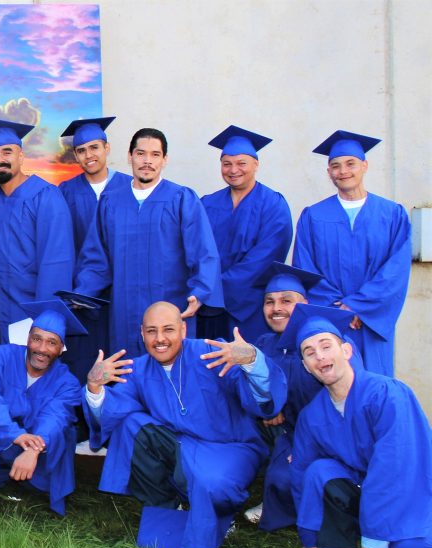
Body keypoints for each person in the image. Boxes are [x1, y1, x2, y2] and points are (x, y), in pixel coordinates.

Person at [82, 302, 286, 548]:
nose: (160, 339)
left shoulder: (210, 353)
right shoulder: (137, 370)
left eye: (168, 329)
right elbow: (111, 412)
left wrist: (253, 362)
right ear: (141, 333)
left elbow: (261, 402)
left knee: (212, 484)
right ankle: (170, 506)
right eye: (152, 331)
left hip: (230, 447)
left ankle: (217, 513)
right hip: (180, 446)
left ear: (183, 329)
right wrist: (94, 387)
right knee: (129, 424)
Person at [286, 311, 431, 548]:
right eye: (310, 352)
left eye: (326, 346)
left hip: (413, 491)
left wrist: (377, 532)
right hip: (365, 489)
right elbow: (301, 473)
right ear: (305, 366)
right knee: (319, 469)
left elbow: (394, 466)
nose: (320, 356)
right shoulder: (312, 415)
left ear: (347, 350)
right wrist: (310, 534)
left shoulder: (388, 394)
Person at [76, 128, 223, 357]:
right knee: (128, 376)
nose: (147, 161)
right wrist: (81, 293)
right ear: (129, 156)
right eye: (140, 153)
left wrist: (200, 292)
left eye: (155, 155)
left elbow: (203, 252)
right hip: (124, 312)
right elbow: (97, 258)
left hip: (170, 308)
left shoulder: (181, 199)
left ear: (165, 160)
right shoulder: (110, 202)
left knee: (173, 374)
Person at [292, 130, 411, 377]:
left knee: (375, 387)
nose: (343, 171)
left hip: (371, 322)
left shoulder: (391, 215)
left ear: (365, 166)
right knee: (332, 381)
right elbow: (306, 270)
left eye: (350, 164)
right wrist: (338, 311)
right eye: (335, 166)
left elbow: (396, 271)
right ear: (328, 172)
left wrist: (357, 307)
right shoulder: (313, 216)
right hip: (331, 321)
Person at [0, 300, 84, 515]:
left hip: (33, 446)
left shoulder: (67, 383)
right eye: (37, 339)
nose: (42, 348)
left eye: (52, 343)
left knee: (62, 432)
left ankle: (21, 478)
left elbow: (55, 417)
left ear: (61, 349)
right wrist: (15, 435)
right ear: (28, 338)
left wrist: (33, 448)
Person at [242, 264, 329, 531]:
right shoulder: (265, 343)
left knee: (287, 475)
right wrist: (266, 407)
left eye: (286, 301)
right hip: (280, 431)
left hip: (321, 434)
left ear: (305, 303)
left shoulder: (322, 343)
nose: (276, 308)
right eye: (269, 302)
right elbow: (248, 387)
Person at [0, 118, 74, 345]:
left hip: (28, 313)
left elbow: (56, 265)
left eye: (7, 152)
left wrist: (44, 323)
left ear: (21, 156)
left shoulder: (46, 197)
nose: (0, 159)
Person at [197, 125, 293, 343]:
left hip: (252, 306)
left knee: (247, 364)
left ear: (256, 164)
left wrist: (211, 287)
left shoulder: (273, 204)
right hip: (209, 309)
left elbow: (265, 258)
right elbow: (196, 250)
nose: (233, 170)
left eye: (242, 163)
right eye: (226, 164)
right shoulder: (207, 203)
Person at [57, 116, 131, 379]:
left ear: (107, 148)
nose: (88, 155)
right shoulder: (65, 192)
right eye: (81, 150)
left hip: (123, 291)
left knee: (124, 356)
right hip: (83, 297)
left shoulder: (131, 187)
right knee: (85, 360)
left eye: (94, 147)